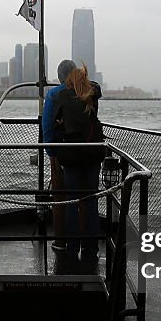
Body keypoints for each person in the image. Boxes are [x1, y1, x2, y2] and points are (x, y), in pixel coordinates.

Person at [49, 64, 104, 261]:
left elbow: (55, 125)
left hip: (71, 156)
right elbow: (97, 87)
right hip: (92, 155)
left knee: (71, 202)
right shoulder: (93, 94)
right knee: (90, 202)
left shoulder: (62, 96)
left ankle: (71, 249)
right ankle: (90, 249)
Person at [41, 59, 79, 251]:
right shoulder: (87, 91)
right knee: (87, 199)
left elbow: (47, 125)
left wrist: (51, 152)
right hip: (89, 152)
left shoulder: (55, 94)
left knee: (64, 199)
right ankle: (90, 246)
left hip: (63, 153)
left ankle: (65, 243)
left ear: (60, 76)